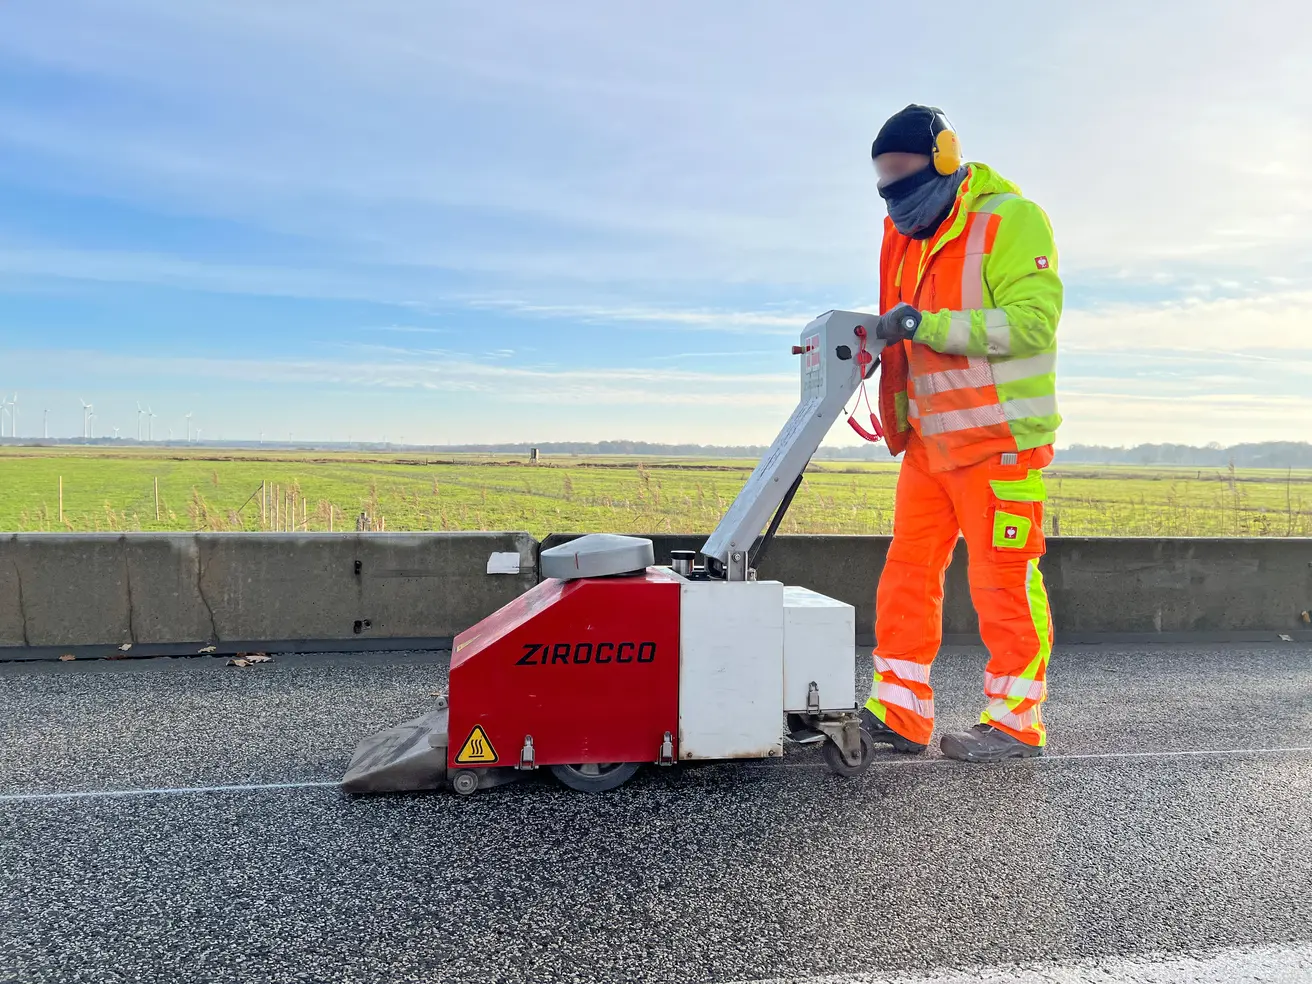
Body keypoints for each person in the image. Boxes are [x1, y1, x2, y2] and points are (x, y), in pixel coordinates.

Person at [862, 104, 1062, 763]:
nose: (892, 190)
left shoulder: (1011, 219)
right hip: (927, 447)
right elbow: (900, 328)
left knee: (1003, 584)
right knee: (906, 578)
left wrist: (930, 326)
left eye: (903, 172)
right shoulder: (900, 235)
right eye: (882, 178)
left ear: (945, 157)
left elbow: (1031, 324)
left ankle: (1014, 724)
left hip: (997, 444)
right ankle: (900, 714)